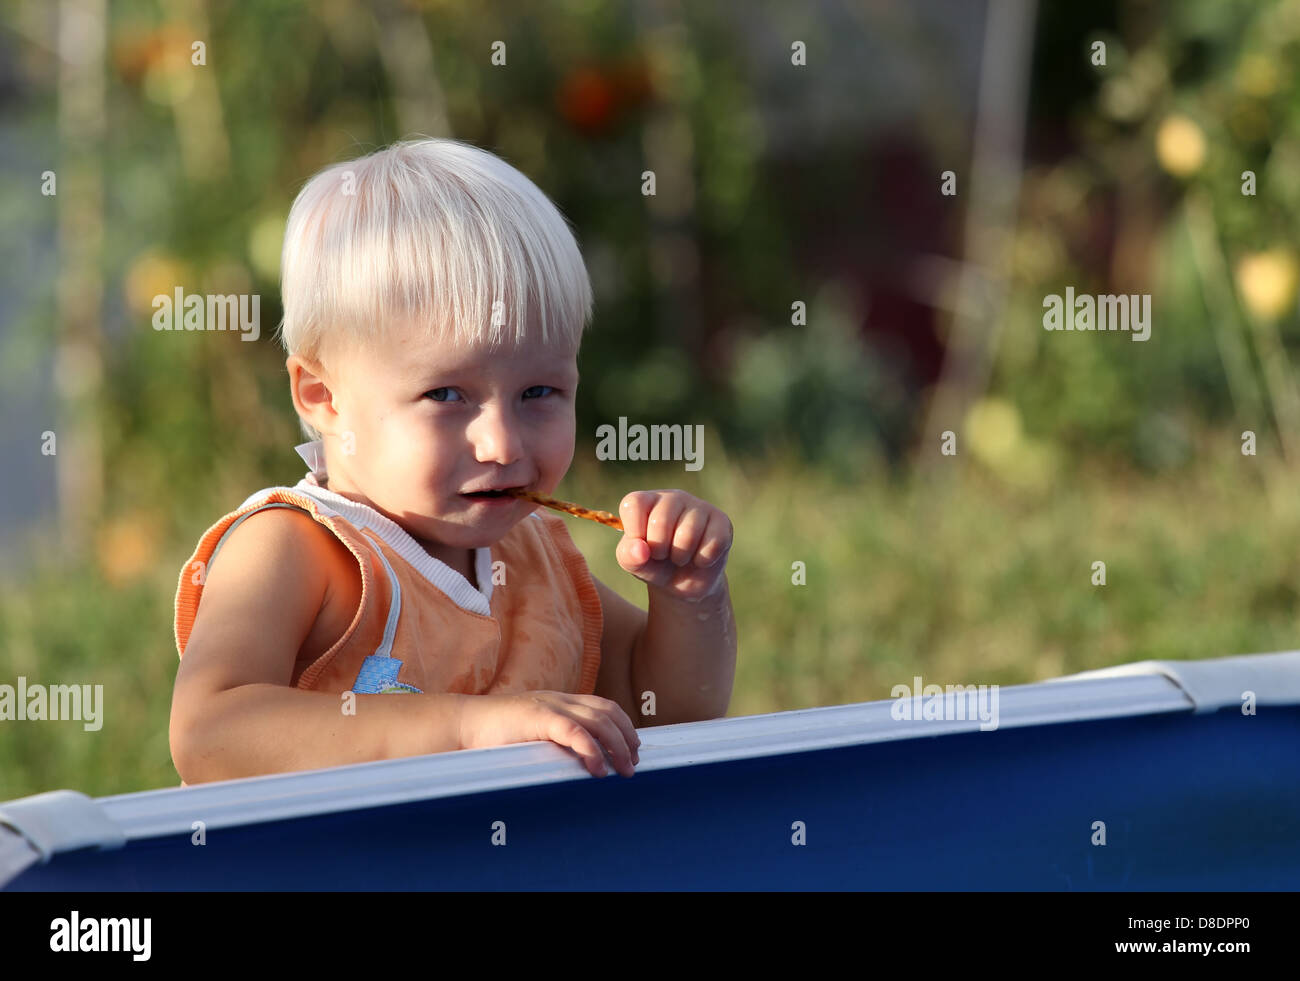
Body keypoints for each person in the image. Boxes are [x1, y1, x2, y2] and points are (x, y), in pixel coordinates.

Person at [168, 138, 736, 785]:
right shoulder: (295, 548)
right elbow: (210, 734)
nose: (502, 443)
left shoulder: (536, 560)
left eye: (539, 392)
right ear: (322, 395)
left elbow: (666, 712)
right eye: (445, 395)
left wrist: (692, 598)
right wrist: (471, 727)